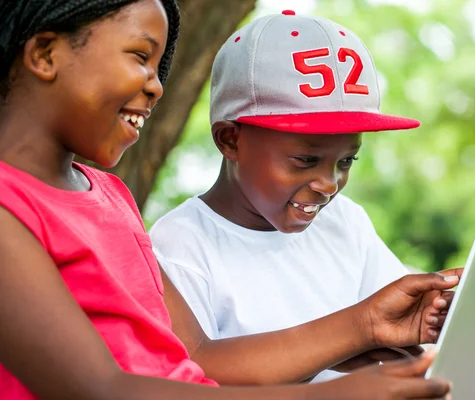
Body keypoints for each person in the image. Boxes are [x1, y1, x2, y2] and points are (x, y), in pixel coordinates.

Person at [0, 1, 456, 399]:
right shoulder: (11, 209)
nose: (157, 85)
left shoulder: (110, 196)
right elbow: (98, 389)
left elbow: (193, 359)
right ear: (44, 54)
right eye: (141, 56)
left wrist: (363, 336)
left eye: (159, 65)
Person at [150, 10, 458, 383]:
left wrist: (439, 314)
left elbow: (398, 337)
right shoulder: (179, 247)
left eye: (346, 160)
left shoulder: (345, 221)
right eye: (305, 160)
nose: (328, 183)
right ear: (231, 140)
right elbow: (189, 377)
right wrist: (360, 328)